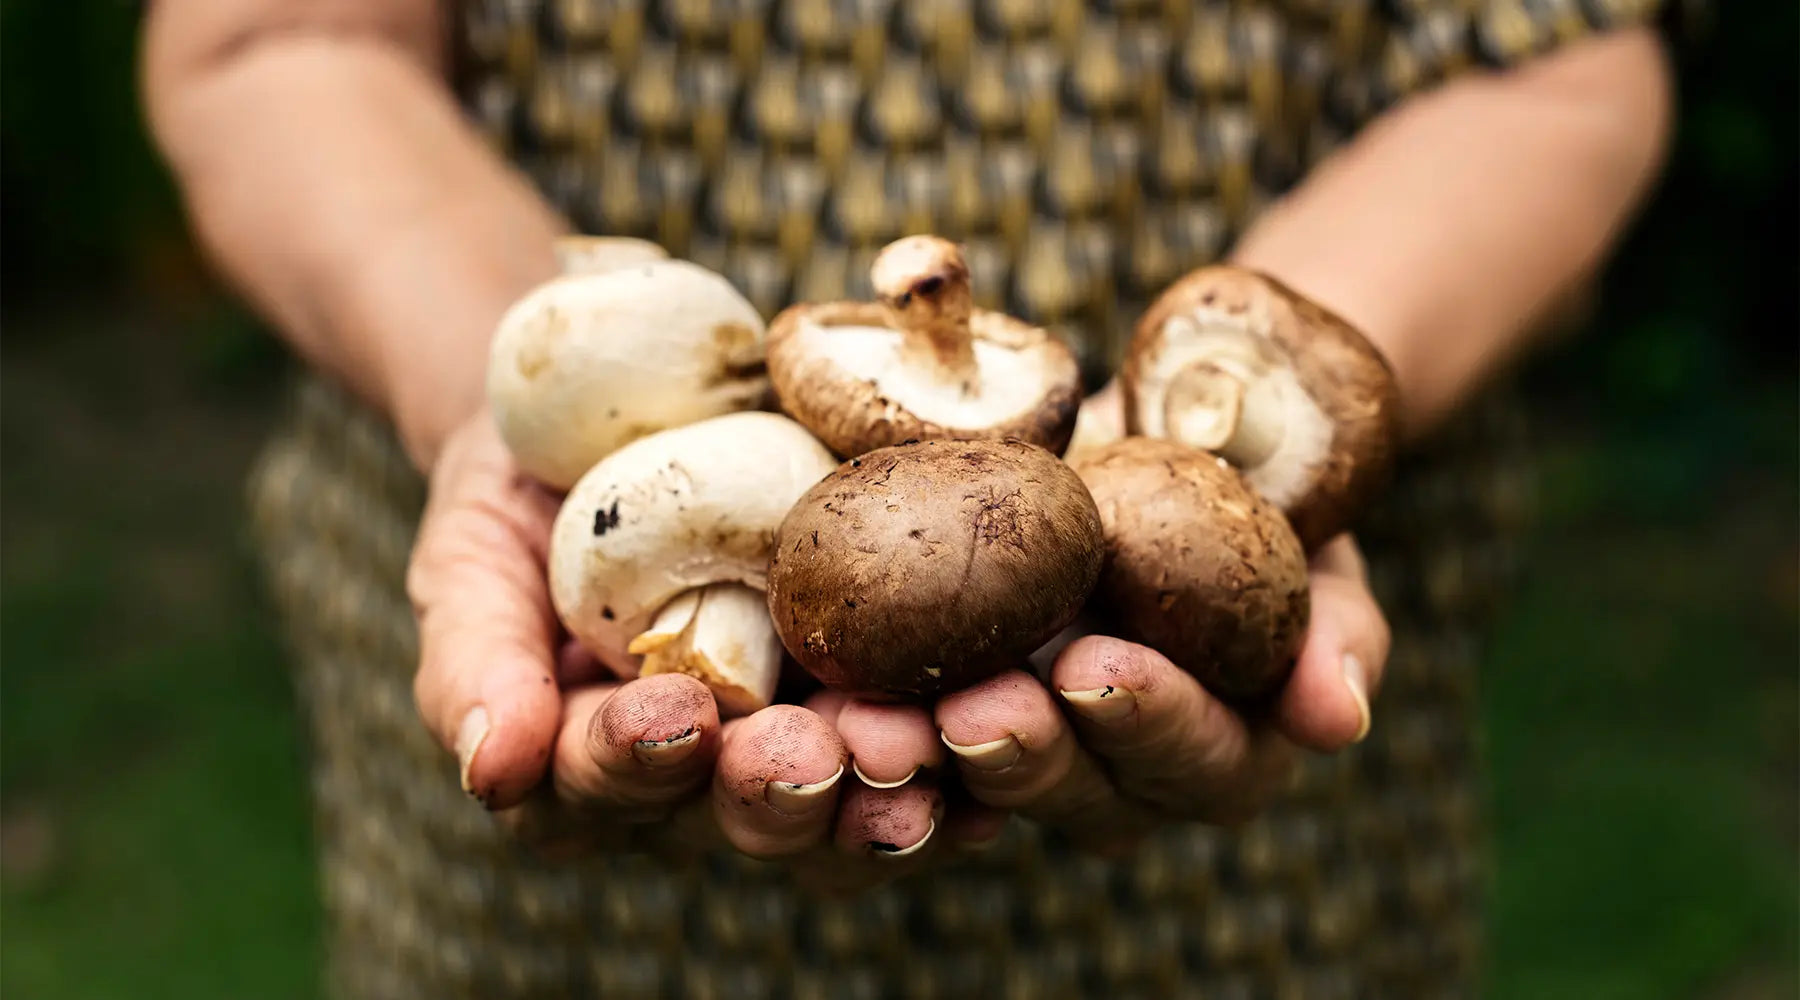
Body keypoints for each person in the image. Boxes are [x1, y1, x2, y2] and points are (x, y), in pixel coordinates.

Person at [142, 0, 1687, 995]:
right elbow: (273, 39)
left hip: (1243, 869)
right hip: (572, 762)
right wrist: (515, 409)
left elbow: (1550, 57)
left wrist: (1268, 397)